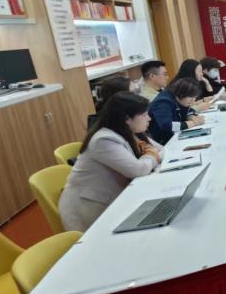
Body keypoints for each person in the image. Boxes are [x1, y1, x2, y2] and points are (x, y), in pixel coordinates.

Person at [59, 92, 162, 232]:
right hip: (89, 206)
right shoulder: (104, 140)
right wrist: (151, 155)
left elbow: (160, 150)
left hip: (111, 198)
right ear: (127, 118)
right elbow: (138, 170)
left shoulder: (129, 132)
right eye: (144, 115)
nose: (149, 118)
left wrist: (151, 155)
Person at [147, 77, 204, 144]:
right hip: (161, 142)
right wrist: (193, 123)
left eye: (195, 97)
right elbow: (167, 126)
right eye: (191, 97)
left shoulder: (179, 99)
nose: (193, 100)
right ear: (181, 93)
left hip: (173, 137)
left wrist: (191, 116)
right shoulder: (163, 102)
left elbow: (188, 110)